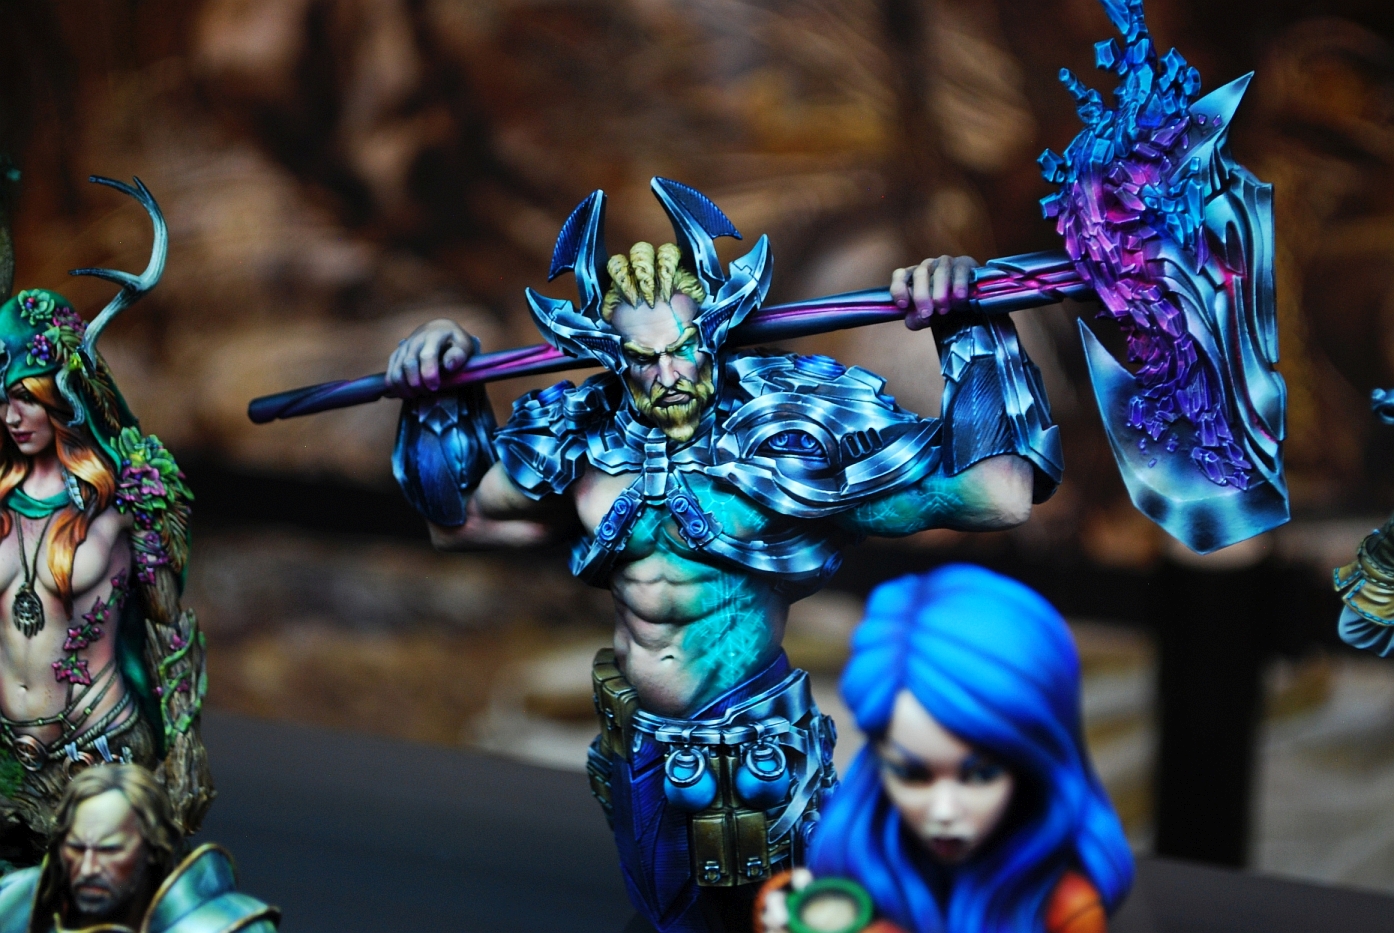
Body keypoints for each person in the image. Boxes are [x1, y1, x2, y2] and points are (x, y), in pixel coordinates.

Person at [388, 179, 1062, 932]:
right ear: (610, 358)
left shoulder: (781, 438)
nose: (670, 376)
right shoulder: (586, 442)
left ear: (715, 331)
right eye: (644, 361)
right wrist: (438, 388)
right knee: (667, 918)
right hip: (638, 746)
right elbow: (458, 520)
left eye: (684, 349)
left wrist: (968, 326)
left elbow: (992, 494)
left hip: (752, 752)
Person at [0, 179, 211, 869]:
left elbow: (167, 625)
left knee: (94, 899)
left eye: (29, 398)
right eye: (2, 400)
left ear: (63, 397)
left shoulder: (124, 498)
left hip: (99, 747)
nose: (13, 416)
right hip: (6, 756)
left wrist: (183, 745)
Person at [756, 565, 1133, 933]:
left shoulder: (1066, 908)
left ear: (1033, 763)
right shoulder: (853, 869)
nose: (944, 812)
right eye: (911, 774)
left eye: (981, 775)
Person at [0, 763, 276, 932]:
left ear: (154, 848)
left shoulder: (223, 926)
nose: (88, 868)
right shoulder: (10, 907)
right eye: (76, 848)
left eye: (109, 850)